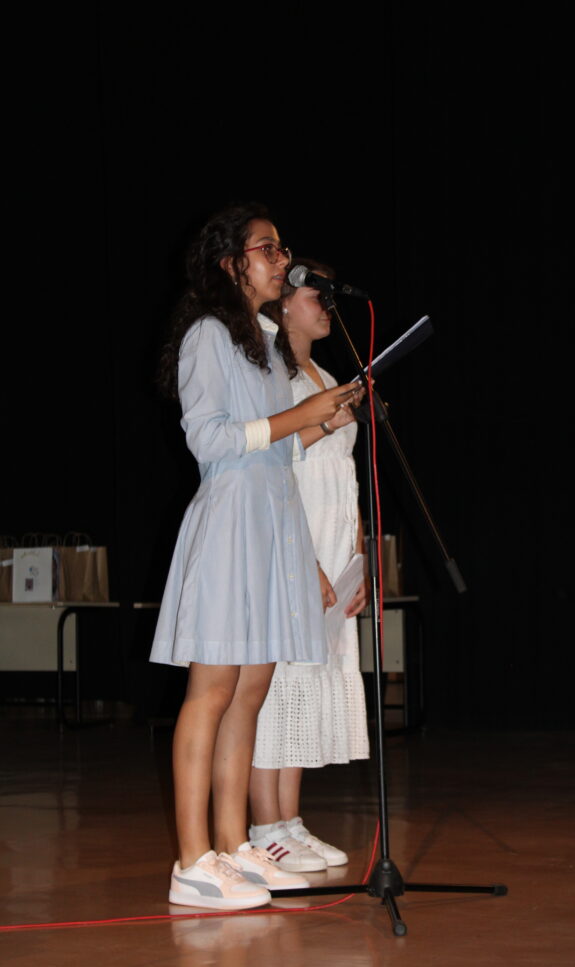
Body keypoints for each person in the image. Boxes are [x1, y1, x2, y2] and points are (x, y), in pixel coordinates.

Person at [151, 205, 362, 910]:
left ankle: (234, 843)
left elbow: (275, 446)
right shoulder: (208, 335)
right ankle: (191, 861)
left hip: (275, 524)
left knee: (250, 692)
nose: (282, 259)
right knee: (212, 691)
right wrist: (299, 417)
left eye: (281, 248)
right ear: (230, 263)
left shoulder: (269, 348)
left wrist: (320, 421)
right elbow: (209, 440)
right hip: (232, 525)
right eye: (267, 248)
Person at [249, 258, 370, 871]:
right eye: (313, 296)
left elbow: (343, 476)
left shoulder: (328, 376)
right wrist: (308, 561)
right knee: (276, 688)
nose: (325, 304)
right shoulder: (273, 376)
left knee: (304, 688)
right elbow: (273, 467)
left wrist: (357, 556)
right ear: (282, 306)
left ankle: (289, 821)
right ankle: (263, 824)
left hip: (332, 544)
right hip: (293, 548)